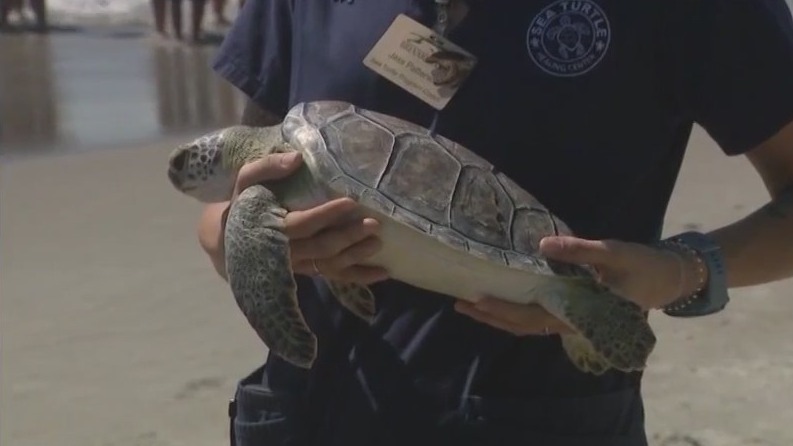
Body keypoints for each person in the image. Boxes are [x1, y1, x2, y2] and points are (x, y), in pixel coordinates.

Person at [198, 0, 793, 444]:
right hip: (307, 413)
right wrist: (243, 238)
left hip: (537, 416)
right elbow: (231, 195)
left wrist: (680, 271)